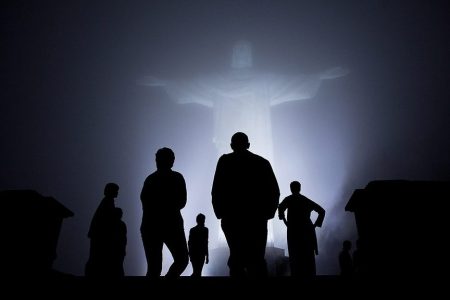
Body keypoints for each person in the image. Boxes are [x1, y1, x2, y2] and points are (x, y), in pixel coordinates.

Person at [211, 132, 280, 277]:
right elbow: (274, 191)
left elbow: (216, 189)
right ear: (248, 145)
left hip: (232, 218)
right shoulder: (262, 162)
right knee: (257, 258)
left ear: (231, 145)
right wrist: (268, 213)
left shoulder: (224, 161)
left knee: (236, 257)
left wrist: (220, 212)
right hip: (256, 219)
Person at [140, 147, 189, 277]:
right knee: (182, 260)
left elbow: (146, 203)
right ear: (172, 161)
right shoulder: (177, 177)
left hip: (151, 226)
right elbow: (182, 202)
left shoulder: (150, 179)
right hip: (171, 225)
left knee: (154, 268)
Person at [278, 181, 325, 277]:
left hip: (294, 231)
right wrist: (315, 225)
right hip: (306, 231)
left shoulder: (289, 199)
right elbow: (322, 211)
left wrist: (285, 221)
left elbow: (280, 208)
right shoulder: (305, 200)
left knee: (295, 257)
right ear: (300, 188)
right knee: (308, 258)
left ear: (291, 188)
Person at [85, 183, 119, 276]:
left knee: (96, 256)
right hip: (100, 235)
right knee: (96, 257)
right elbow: (106, 221)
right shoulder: (108, 202)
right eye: (116, 190)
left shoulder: (107, 201)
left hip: (98, 234)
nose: (117, 193)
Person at [110, 207, 127, 277]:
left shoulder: (111, 225)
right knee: (119, 267)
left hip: (116, 249)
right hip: (119, 249)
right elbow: (124, 238)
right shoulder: (122, 225)